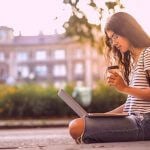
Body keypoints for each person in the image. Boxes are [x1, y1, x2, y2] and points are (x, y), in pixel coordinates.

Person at [68, 12, 150, 144]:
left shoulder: (148, 53)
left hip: (145, 121)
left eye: (116, 36)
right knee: (81, 123)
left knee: (76, 127)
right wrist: (102, 117)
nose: (114, 42)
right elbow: (131, 105)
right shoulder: (134, 61)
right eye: (111, 39)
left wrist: (125, 88)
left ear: (128, 30)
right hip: (136, 119)